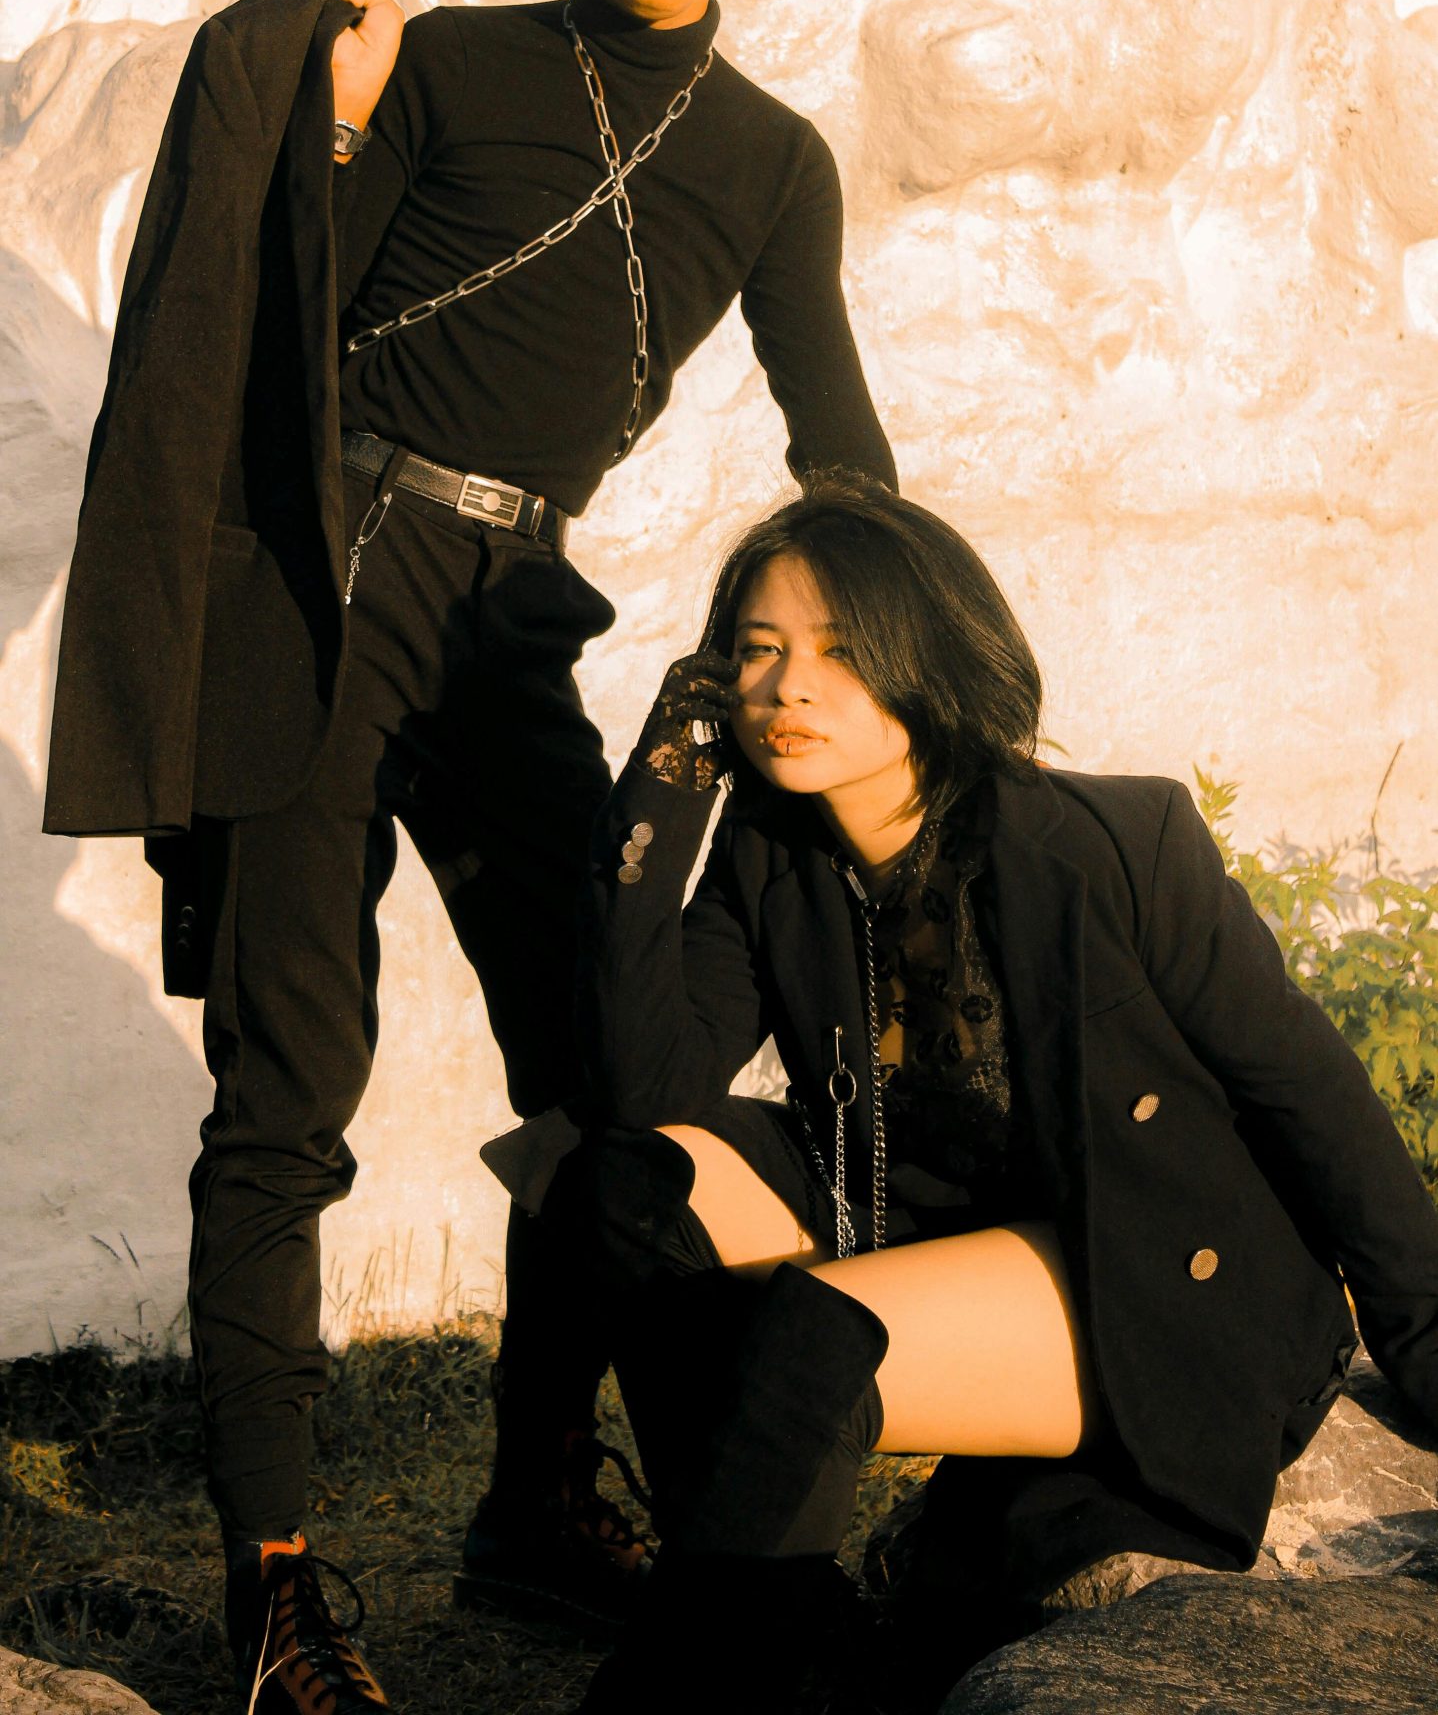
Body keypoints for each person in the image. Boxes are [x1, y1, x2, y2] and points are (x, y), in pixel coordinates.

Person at [43, 0, 895, 1714]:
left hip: (515, 618)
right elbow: (268, 326)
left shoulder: (772, 165)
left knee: (612, 1078)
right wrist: (316, 99)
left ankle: (532, 1509)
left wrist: (853, 669)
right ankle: (275, 1592)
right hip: (328, 591)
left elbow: (841, 453)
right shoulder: (454, 68)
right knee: (284, 1095)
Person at [520, 474, 1438, 1713]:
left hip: (1145, 1272)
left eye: (840, 650)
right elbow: (641, 1086)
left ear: (924, 656)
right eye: (755, 651)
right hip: (911, 1219)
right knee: (611, 1186)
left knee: (805, 1336)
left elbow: (1308, 1092)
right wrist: (669, 777)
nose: (788, 685)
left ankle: (698, 1663)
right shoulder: (770, 857)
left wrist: (1421, 1340)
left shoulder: (1119, 846)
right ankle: (782, 1623)